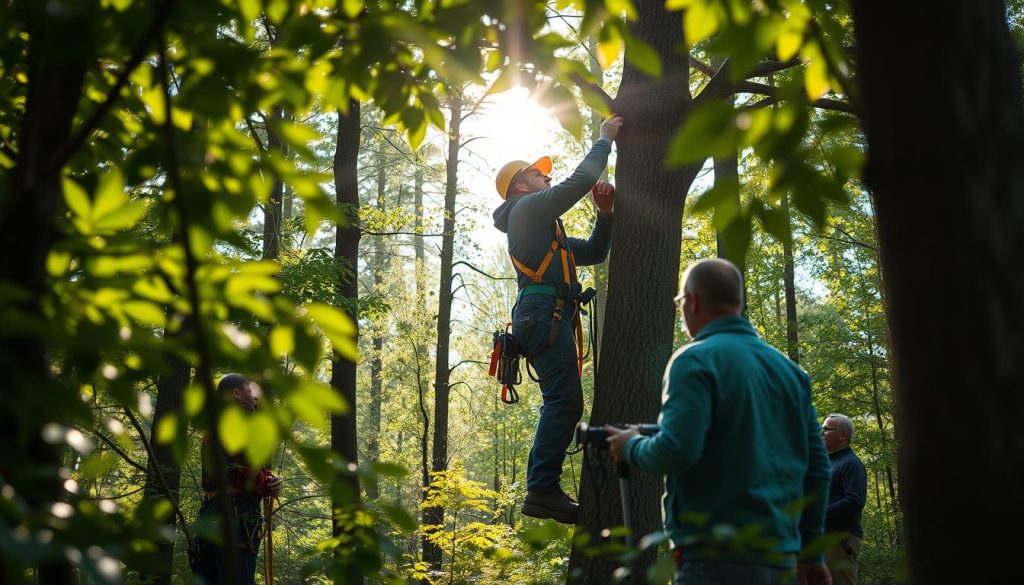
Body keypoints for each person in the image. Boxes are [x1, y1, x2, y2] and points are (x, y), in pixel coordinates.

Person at [606, 258, 833, 585]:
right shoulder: (791, 373)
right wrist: (811, 552)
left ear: (693, 301)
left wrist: (630, 447)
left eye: (680, 302)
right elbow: (818, 469)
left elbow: (677, 450)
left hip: (713, 560)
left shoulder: (694, 359)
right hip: (782, 559)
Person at [492, 114, 623, 524]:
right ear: (520, 186)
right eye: (538, 174)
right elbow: (576, 183)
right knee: (564, 402)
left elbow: (597, 252)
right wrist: (604, 140)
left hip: (546, 316)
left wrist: (605, 215)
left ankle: (542, 488)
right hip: (541, 314)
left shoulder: (551, 234)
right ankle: (542, 489)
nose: (546, 178)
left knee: (564, 401)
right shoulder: (526, 211)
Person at [191, 373, 283, 585]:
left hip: (209, 513)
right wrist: (269, 483)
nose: (257, 397)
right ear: (237, 393)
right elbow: (249, 470)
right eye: (252, 391)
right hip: (237, 515)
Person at [821, 413, 867, 585]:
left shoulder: (851, 463)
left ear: (842, 435)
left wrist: (820, 513)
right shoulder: (826, 463)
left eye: (826, 429)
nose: (821, 432)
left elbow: (855, 501)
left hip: (840, 538)